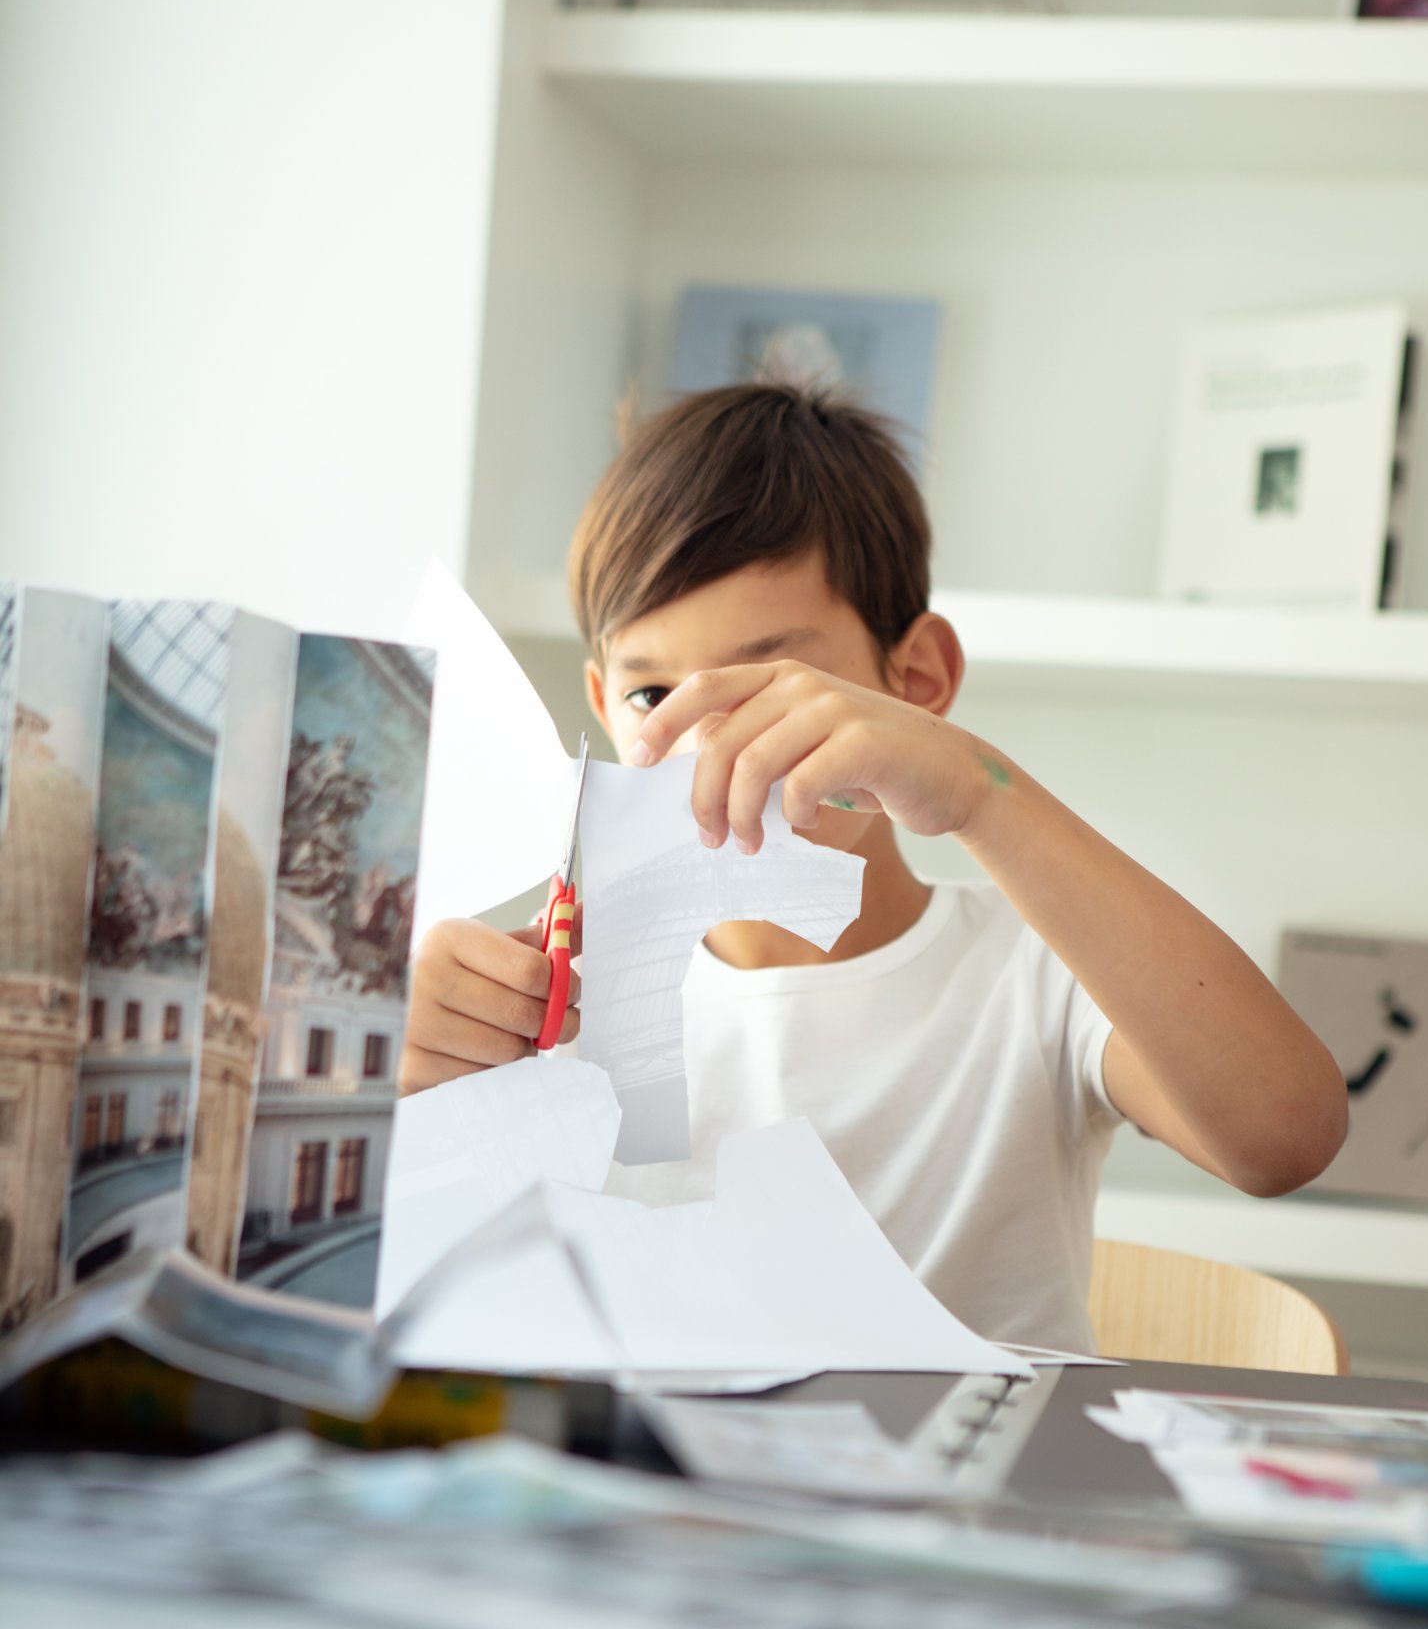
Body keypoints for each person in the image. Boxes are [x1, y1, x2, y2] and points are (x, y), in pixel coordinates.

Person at [400, 383, 1347, 1350]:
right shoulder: (545, 996)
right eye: (653, 693)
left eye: (773, 687)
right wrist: (387, 1080)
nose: (709, 747)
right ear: (603, 702)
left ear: (918, 681)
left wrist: (981, 791)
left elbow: (1284, 1135)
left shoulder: (1035, 975)